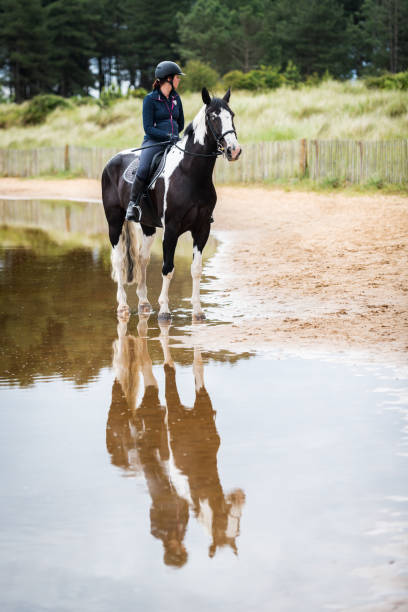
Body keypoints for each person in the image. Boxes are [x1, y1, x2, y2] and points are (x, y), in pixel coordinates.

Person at [126, 61, 185, 222]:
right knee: (144, 168)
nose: (179, 80)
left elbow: (181, 123)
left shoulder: (176, 98)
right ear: (168, 78)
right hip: (153, 142)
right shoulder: (150, 99)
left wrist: (175, 135)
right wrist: (167, 136)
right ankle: (133, 203)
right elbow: (148, 128)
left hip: (174, 142)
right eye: (177, 77)